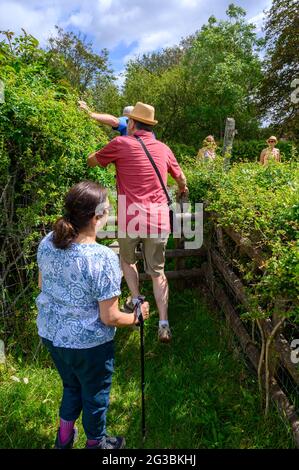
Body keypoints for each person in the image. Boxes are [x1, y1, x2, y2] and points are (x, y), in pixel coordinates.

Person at [36, 181, 149, 449]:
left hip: (52, 335)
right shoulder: (102, 258)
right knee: (95, 396)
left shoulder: (48, 242)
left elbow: (42, 285)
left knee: (71, 386)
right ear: (97, 217)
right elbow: (109, 317)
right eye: (109, 209)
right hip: (89, 346)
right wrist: (137, 316)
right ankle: (96, 444)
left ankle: (63, 439)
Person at [87, 102, 188, 344]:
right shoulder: (164, 148)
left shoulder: (120, 144)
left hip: (131, 217)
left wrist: (95, 155)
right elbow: (181, 178)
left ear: (131, 123)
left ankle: (137, 300)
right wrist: (182, 188)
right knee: (158, 272)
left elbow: (93, 161)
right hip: (158, 219)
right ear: (150, 126)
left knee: (127, 260)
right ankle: (163, 323)